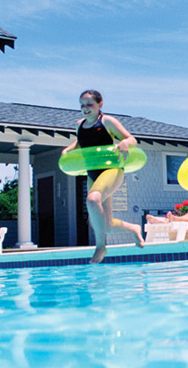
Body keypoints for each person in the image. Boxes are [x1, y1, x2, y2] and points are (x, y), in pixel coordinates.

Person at [61, 90, 144, 263]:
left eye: (89, 104)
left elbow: (132, 139)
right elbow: (82, 142)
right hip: (93, 173)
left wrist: (124, 143)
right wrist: (69, 150)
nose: (85, 108)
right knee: (105, 225)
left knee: (92, 200)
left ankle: (100, 247)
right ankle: (134, 228)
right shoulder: (79, 125)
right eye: (82, 105)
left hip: (111, 170)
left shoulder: (107, 121)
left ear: (100, 105)